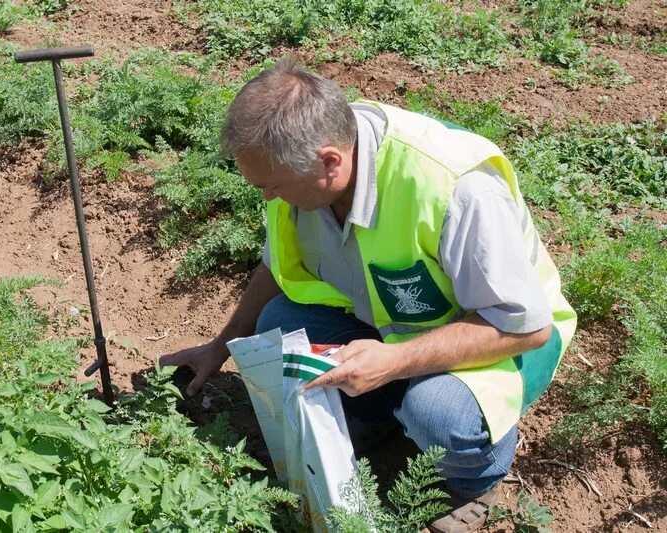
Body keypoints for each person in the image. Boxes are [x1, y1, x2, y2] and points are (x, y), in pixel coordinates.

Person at [160, 59, 576, 533]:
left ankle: (471, 482)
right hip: (389, 327)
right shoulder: (306, 169)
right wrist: (223, 343)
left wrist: (393, 362)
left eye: (273, 187)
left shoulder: (455, 188)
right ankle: (383, 415)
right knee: (276, 323)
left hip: (496, 341)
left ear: (330, 161)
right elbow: (277, 268)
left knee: (437, 414)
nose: (268, 200)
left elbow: (524, 326)